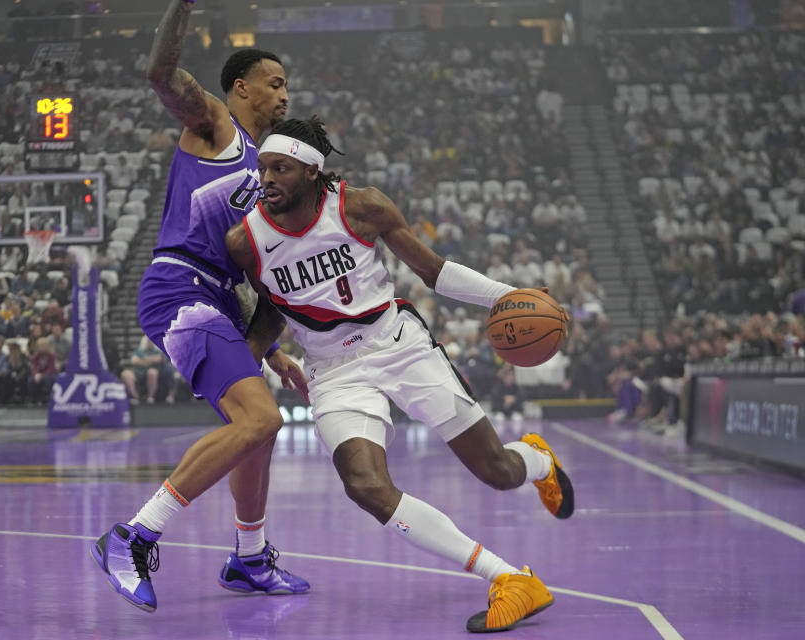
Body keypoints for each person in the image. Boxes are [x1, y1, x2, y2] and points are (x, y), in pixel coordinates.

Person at [225, 116, 575, 633]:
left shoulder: (360, 207)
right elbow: (275, 307)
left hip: (400, 345)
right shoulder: (245, 240)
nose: (268, 178)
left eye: (282, 168)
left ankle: (538, 461)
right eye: (263, 168)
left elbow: (434, 272)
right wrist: (244, 361)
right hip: (334, 371)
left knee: (498, 472)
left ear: (313, 172)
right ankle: (508, 578)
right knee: (365, 485)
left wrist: (507, 298)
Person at [90, 0, 308, 614]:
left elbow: (267, 294)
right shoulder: (216, 125)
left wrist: (269, 356)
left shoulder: (269, 183)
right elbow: (161, 72)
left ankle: (248, 558)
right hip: (179, 287)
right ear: (242, 88)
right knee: (260, 421)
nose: (286, 94)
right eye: (276, 82)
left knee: (262, 430)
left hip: (216, 300)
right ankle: (130, 536)